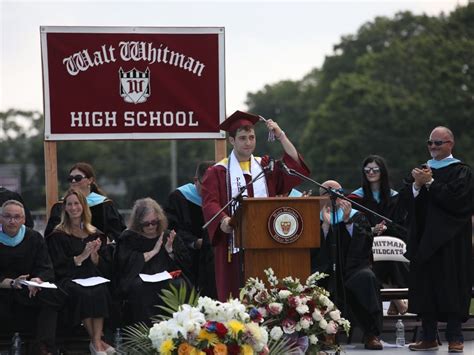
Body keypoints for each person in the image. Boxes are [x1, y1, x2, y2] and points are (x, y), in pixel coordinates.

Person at [201, 110, 310, 301]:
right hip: (232, 244)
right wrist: (223, 219)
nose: (248, 142)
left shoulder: (265, 167)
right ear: (232, 141)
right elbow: (210, 202)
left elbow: (294, 166)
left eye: (251, 137)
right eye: (242, 138)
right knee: (234, 295)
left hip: (265, 240)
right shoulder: (218, 171)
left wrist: (281, 135)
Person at [400, 126, 472, 353]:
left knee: (451, 287)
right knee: (426, 289)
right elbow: (404, 204)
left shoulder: (462, 171)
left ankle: (454, 337)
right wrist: (416, 186)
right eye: (430, 143)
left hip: (451, 242)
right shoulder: (421, 171)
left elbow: (460, 202)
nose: (432, 147)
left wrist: (431, 184)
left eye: (437, 143)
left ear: (450, 144)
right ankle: (428, 337)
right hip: (424, 241)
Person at [311, 180, 383, 350]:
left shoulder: (355, 216)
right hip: (325, 269)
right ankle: (324, 333)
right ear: (320, 198)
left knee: (366, 278)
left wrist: (347, 222)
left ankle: (371, 334)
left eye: (339, 193)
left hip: (352, 268)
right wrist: (326, 227)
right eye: (328, 194)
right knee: (317, 282)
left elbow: (363, 245)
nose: (335, 198)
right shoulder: (313, 218)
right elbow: (313, 253)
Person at [46, 189, 114, 355]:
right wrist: (81, 256)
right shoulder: (58, 234)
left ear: (83, 207)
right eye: (69, 204)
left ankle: (96, 341)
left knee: (100, 289)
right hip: (69, 279)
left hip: (92, 277)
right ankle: (98, 343)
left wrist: (94, 255)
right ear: (65, 208)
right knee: (83, 292)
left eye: (77, 203)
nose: (73, 207)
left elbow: (105, 267)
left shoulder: (95, 233)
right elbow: (57, 266)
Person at [347, 155, 409, 316]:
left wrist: (386, 228)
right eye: (367, 170)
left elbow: (401, 224)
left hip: (392, 242)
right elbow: (353, 224)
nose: (371, 172)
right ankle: (399, 301)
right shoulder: (356, 198)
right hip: (366, 244)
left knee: (390, 253)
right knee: (384, 256)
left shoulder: (394, 197)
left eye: (375, 169)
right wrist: (371, 229)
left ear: (382, 172)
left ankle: (396, 303)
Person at [0, 200, 63, 355]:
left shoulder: (34, 237)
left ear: (23, 219)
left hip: (28, 289)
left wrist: (37, 280)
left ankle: (43, 346)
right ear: (0, 218)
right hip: (4, 290)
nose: (12, 221)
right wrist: (13, 283)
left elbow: (46, 268)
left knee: (53, 294)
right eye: (7, 216)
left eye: (16, 217)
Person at [116, 197, 192, 325]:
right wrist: (152, 252)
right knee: (139, 288)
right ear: (138, 223)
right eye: (146, 224)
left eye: (154, 222)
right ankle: (145, 332)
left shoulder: (168, 235)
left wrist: (169, 251)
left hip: (166, 276)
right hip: (140, 278)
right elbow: (124, 264)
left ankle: (178, 328)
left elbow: (185, 264)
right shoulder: (129, 238)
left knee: (180, 284)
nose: (151, 226)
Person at [165, 161, 217, 298]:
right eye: (206, 184)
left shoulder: (221, 199)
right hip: (188, 257)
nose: (210, 189)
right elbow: (172, 229)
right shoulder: (179, 197)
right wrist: (195, 242)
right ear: (196, 181)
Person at [44, 162, 126, 241]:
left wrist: (105, 242)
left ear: (90, 180)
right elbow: (51, 234)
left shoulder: (104, 204)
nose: (73, 181)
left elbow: (116, 232)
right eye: (70, 178)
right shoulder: (61, 206)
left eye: (78, 178)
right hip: (68, 251)